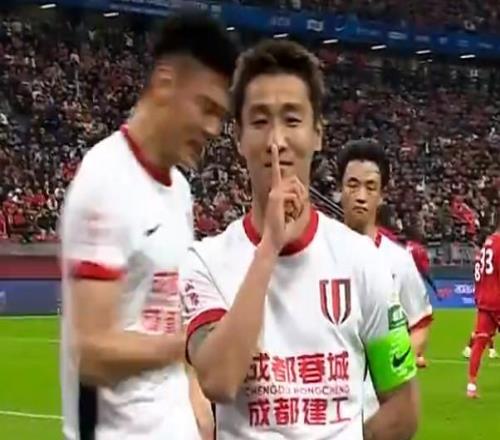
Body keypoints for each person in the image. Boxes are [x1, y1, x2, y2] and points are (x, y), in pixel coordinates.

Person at [180, 40, 419, 439]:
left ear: (317, 133)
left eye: (292, 120)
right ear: (238, 137)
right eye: (260, 122)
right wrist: (269, 247)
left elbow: (403, 409)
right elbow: (219, 380)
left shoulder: (362, 261)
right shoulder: (204, 262)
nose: (276, 141)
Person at [59, 12, 238, 440]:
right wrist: (197, 345)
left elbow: (166, 313)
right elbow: (93, 353)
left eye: (220, 115)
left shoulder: (179, 191)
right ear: (164, 83)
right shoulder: (105, 181)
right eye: (206, 107)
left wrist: (195, 395)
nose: (213, 128)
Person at [337, 139, 432, 416]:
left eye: (370, 187)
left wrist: (392, 372)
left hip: (376, 413)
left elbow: (420, 324)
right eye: (352, 184)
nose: (361, 195)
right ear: (340, 190)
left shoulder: (399, 261)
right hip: (324, 414)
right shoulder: (317, 253)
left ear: (381, 195)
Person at [467, 212, 500, 398]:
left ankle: (471, 386)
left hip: (484, 300)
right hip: (497, 300)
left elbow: (479, 273)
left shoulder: (486, 245)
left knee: (479, 343)